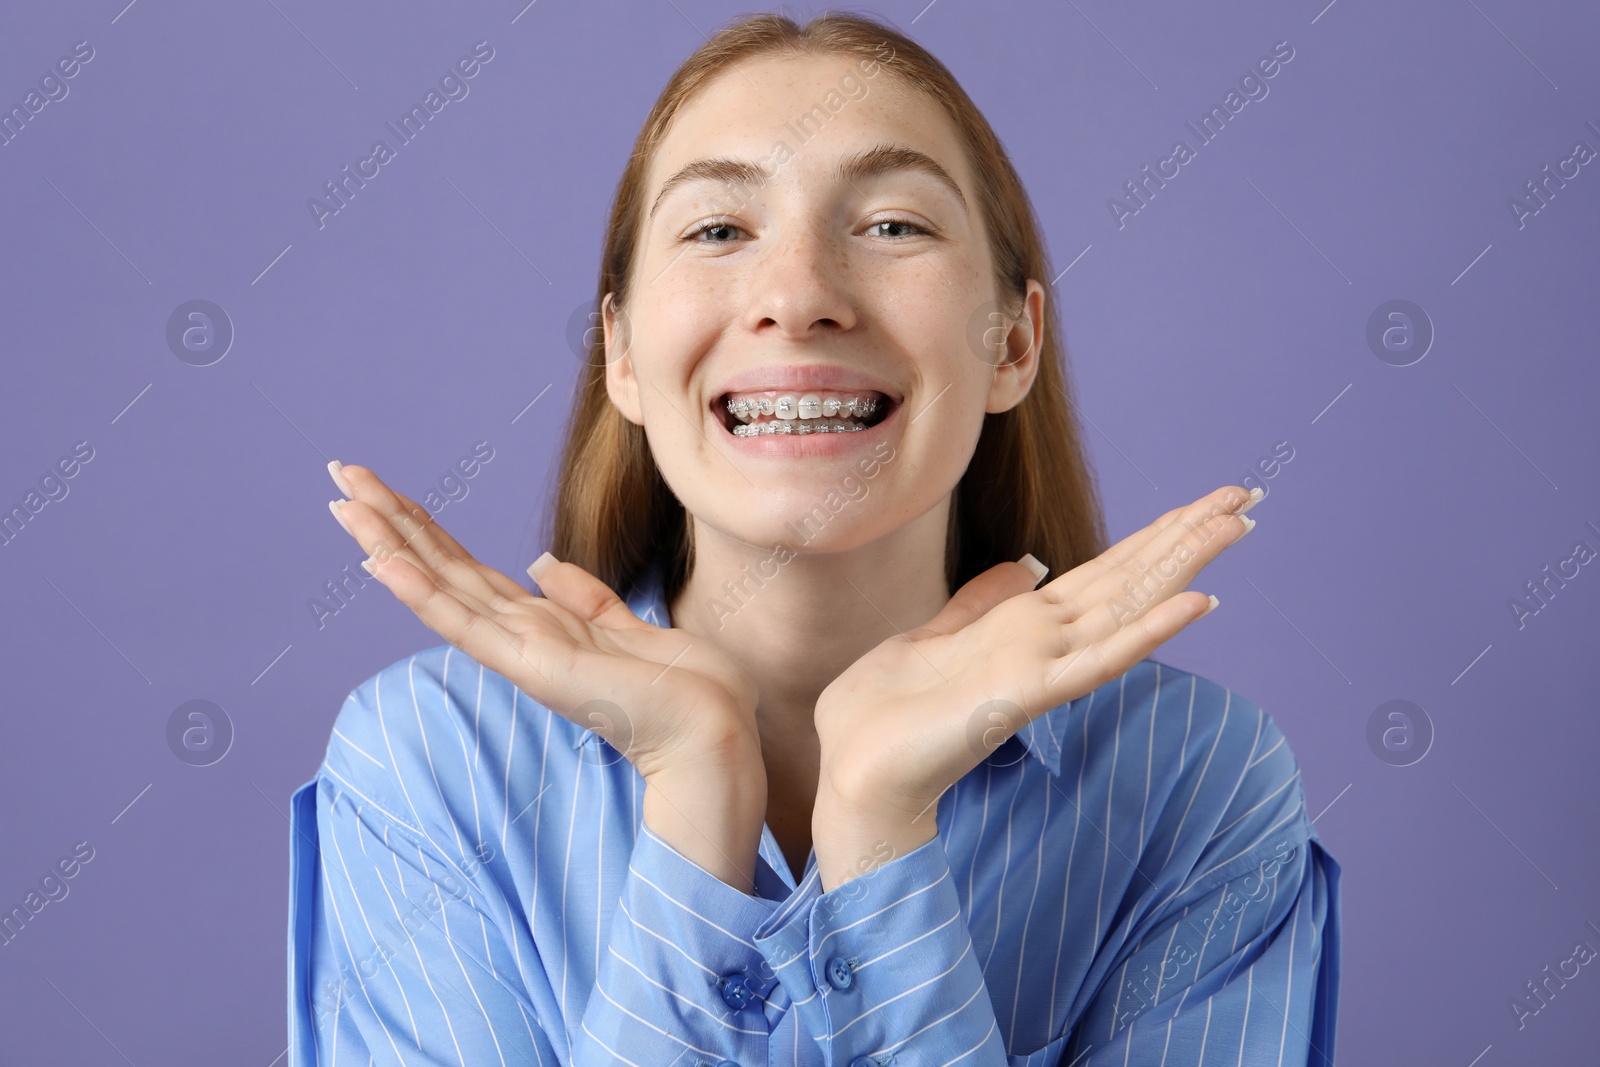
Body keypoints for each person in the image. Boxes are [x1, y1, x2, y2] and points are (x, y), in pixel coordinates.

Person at [286, 11, 1341, 1066]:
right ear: (622, 354)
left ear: (1011, 342)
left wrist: (878, 831)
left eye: (891, 225)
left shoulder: (1197, 782)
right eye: (717, 230)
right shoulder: (428, 761)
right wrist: (692, 802)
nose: (796, 299)